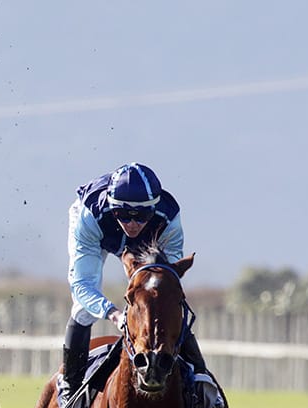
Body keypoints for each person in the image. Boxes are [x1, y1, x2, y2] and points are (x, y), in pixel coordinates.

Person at [61, 162, 207, 396]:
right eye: (123, 215)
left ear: (153, 209)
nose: (131, 224)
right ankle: (69, 386)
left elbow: (170, 283)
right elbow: (82, 285)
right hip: (98, 232)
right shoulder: (90, 216)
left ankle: (201, 379)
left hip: (151, 241)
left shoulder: (168, 218)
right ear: (112, 209)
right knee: (83, 310)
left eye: (141, 216)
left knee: (164, 299)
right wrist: (114, 313)